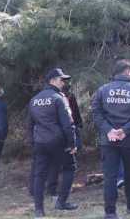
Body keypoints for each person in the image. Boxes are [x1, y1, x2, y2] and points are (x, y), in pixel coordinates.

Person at [92, 59, 130, 219]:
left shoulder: (102, 90)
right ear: (128, 71)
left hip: (108, 140)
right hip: (129, 140)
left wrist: (109, 130)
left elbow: (96, 113)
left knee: (110, 176)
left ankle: (110, 212)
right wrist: (125, 130)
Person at [29, 68, 77, 218]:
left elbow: (29, 125)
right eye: (61, 79)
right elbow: (67, 124)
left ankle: (38, 210)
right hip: (58, 141)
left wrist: (32, 142)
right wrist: (72, 143)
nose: (63, 82)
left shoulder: (34, 99)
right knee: (70, 167)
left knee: (39, 175)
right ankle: (61, 202)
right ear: (53, 80)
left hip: (40, 142)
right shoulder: (58, 98)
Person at [46, 75, 83, 205]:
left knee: (53, 164)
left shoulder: (50, 97)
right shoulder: (62, 98)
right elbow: (72, 118)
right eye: (62, 80)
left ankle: (52, 189)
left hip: (49, 137)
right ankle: (60, 195)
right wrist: (75, 132)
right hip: (63, 135)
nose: (63, 83)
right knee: (68, 165)